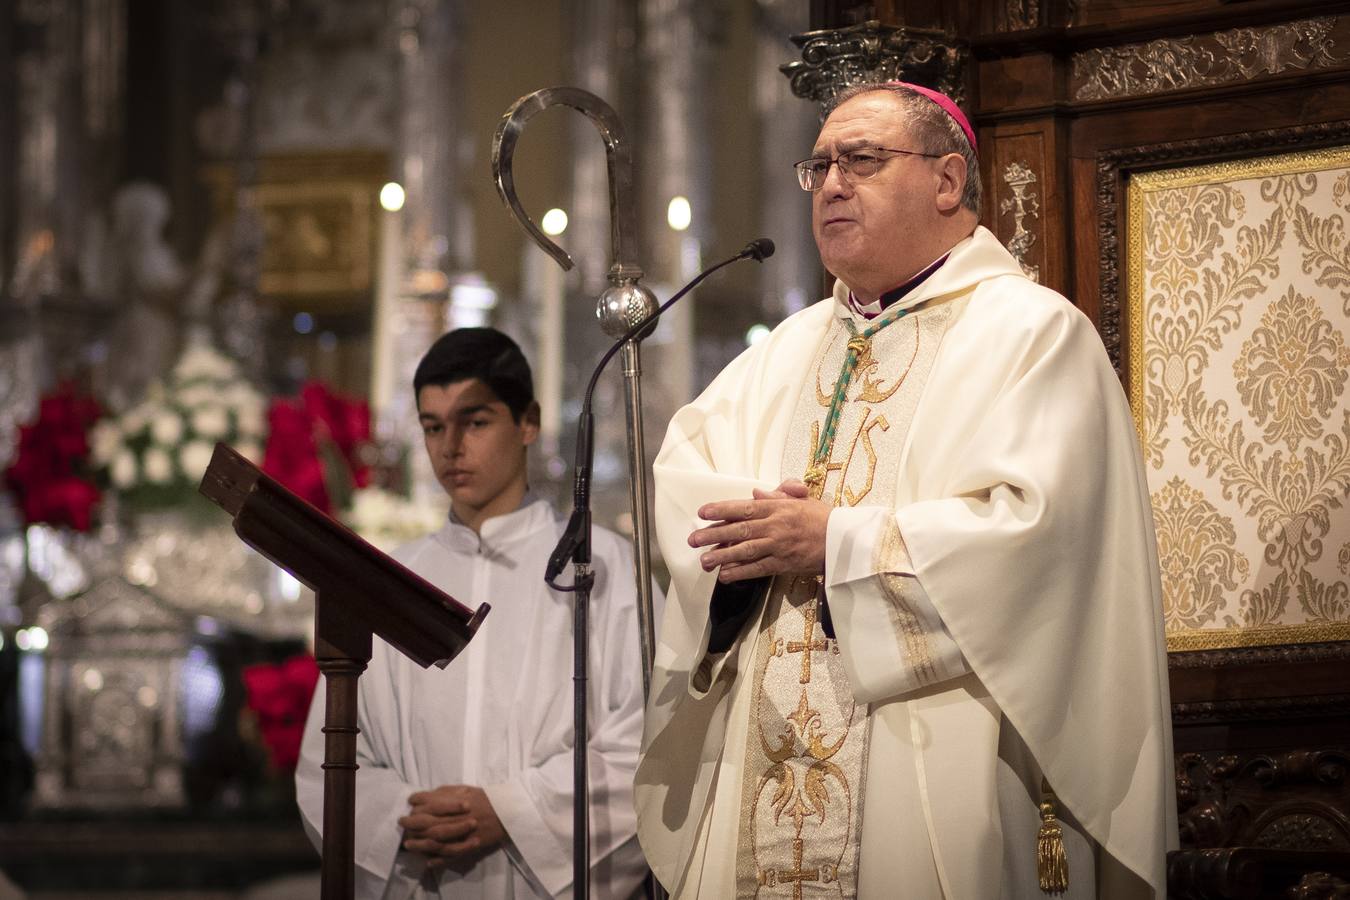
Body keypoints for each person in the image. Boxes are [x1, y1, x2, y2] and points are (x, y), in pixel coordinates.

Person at [634, 82, 1175, 898]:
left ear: (948, 181)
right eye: (817, 166)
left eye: (860, 160)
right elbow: (683, 482)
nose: (830, 185)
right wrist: (751, 536)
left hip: (936, 753)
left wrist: (837, 541)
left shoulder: (1031, 334)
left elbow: (1040, 538)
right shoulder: (784, 351)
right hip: (764, 756)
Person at [297, 327, 652, 899]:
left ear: (528, 422)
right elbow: (329, 755)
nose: (450, 447)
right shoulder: (387, 582)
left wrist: (509, 812)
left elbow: (647, 744)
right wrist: (402, 819)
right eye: (433, 426)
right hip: (420, 877)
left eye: (476, 422)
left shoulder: (604, 569)